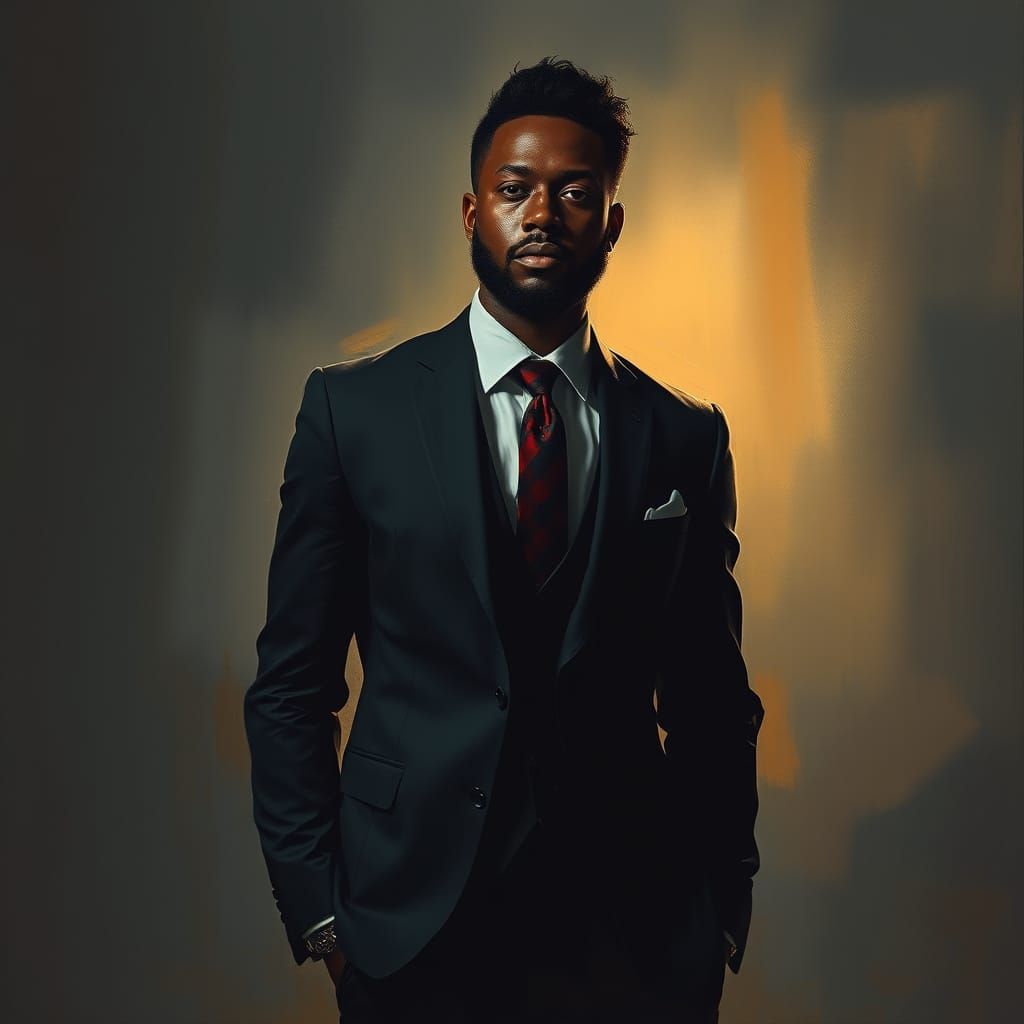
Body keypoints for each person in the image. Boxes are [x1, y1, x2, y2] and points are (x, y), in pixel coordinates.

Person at [244, 55, 765, 1024]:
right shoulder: (351, 412)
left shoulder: (684, 435)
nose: (541, 213)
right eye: (514, 188)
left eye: (574, 192)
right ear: (470, 211)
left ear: (611, 220)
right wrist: (322, 917)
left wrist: (720, 912)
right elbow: (289, 687)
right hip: (410, 928)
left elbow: (710, 700)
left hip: (631, 938)